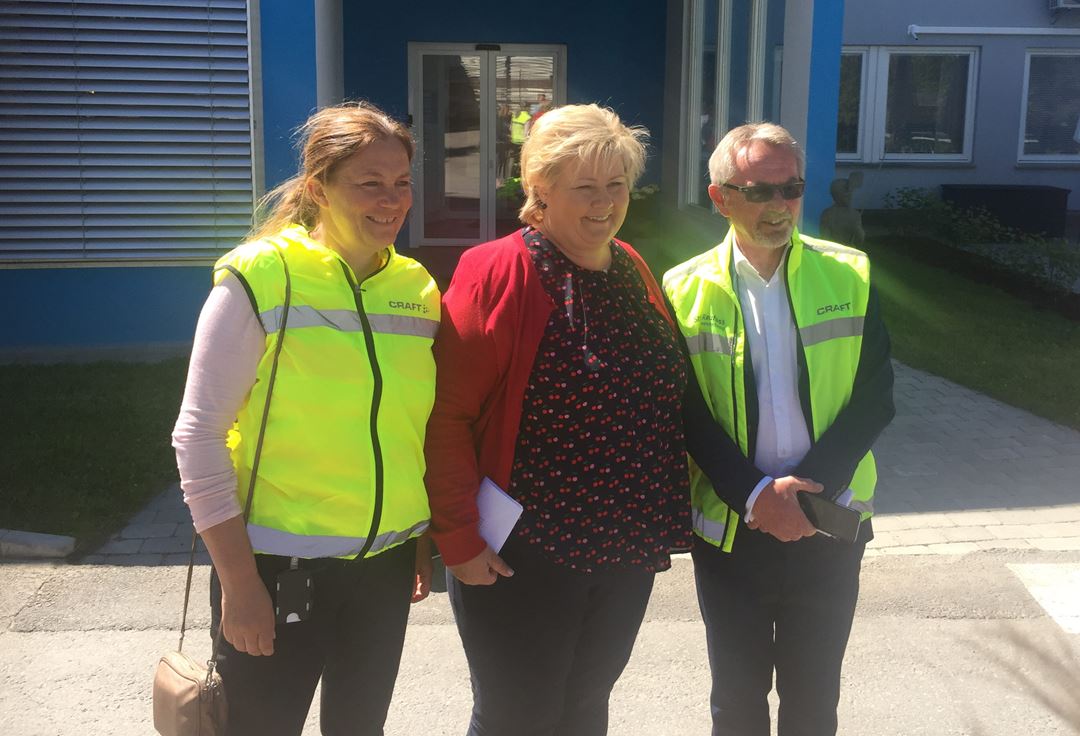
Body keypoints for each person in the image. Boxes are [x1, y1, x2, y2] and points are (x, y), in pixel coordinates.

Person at [424, 103, 697, 735]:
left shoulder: (630, 266)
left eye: (616, 185)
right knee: (517, 717)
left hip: (624, 547)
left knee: (584, 710)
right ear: (539, 191)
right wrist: (457, 540)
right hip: (526, 555)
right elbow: (446, 417)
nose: (604, 203)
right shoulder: (497, 269)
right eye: (584, 187)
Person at [172, 101, 440, 736]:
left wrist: (418, 534)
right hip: (278, 568)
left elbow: (409, 429)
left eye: (401, 182)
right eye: (369, 183)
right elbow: (198, 435)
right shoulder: (264, 275)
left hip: (386, 566)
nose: (392, 200)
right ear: (319, 188)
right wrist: (239, 583)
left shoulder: (418, 287)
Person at [662, 122, 895, 736]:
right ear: (720, 198)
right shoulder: (681, 289)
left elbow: (876, 399)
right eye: (759, 191)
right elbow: (685, 411)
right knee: (735, 702)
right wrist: (757, 496)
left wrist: (806, 491)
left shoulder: (851, 273)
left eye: (790, 189)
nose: (779, 206)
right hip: (734, 529)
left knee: (814, 700)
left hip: (830, 523)